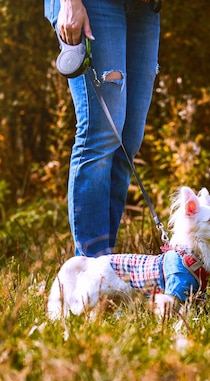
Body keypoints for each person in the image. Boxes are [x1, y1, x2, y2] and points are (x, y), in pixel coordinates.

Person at [45, 0, 160, 256]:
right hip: (93, 5)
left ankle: (106, 266)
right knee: (102, 134)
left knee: (128, 140)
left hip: (143, 9)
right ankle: (90, 272)